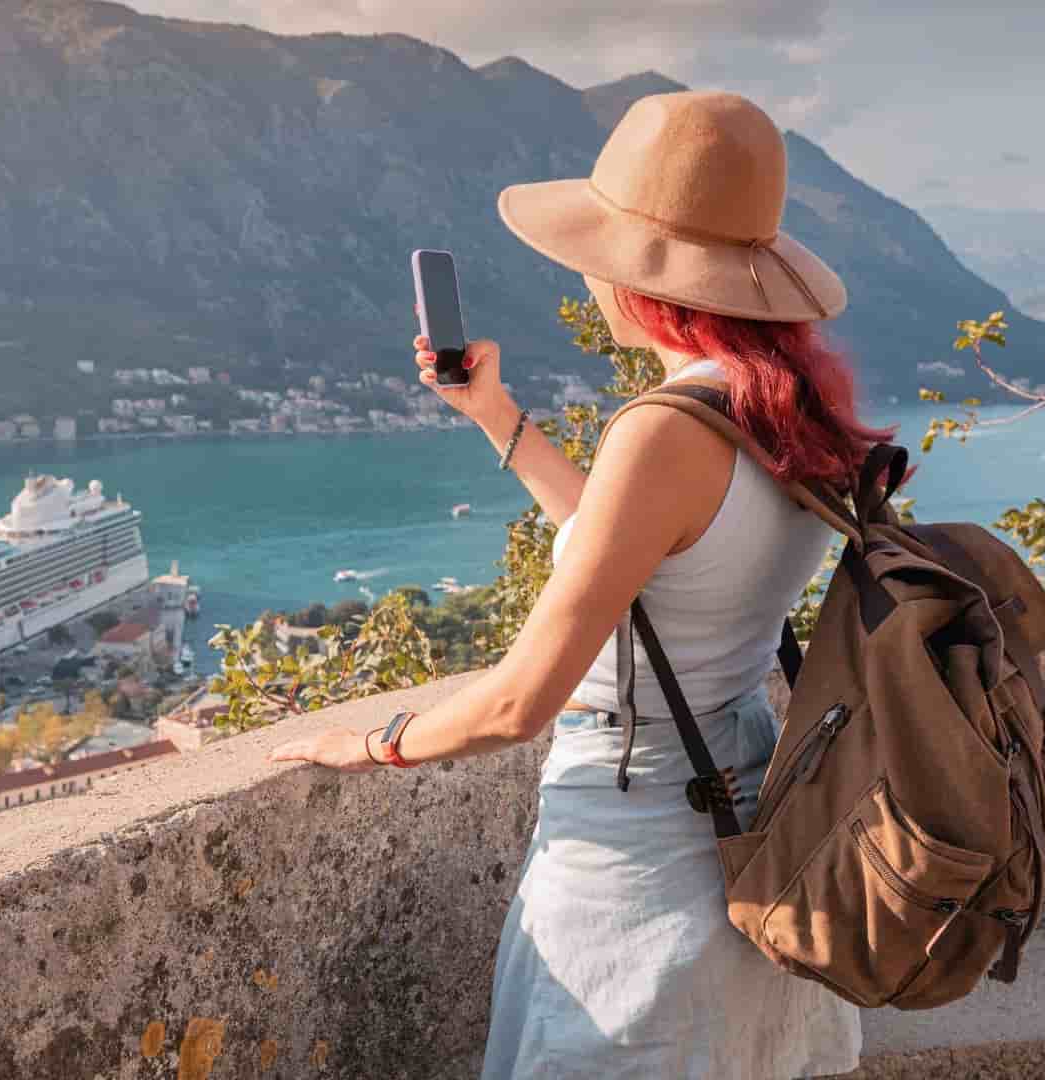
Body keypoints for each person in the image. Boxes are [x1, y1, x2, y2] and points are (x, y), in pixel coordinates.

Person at [266, 91, 898, 1077]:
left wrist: (376, 742)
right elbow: (657, 561)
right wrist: (497, 416)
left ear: (639, 279)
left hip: (632, 873)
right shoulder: (782, 412)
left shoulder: (664, 431)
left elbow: (521, 702)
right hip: (753, 842)